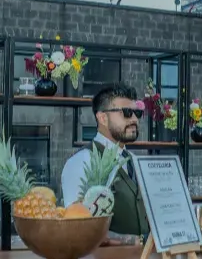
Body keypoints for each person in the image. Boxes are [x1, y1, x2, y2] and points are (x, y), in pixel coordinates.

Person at [59, 84, 148, 246]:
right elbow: (77, 224)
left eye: (137, 113)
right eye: (126, 113)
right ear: (103, 118)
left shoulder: (135, 161)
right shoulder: (81, 162)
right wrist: (131, 241)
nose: (134, 119)